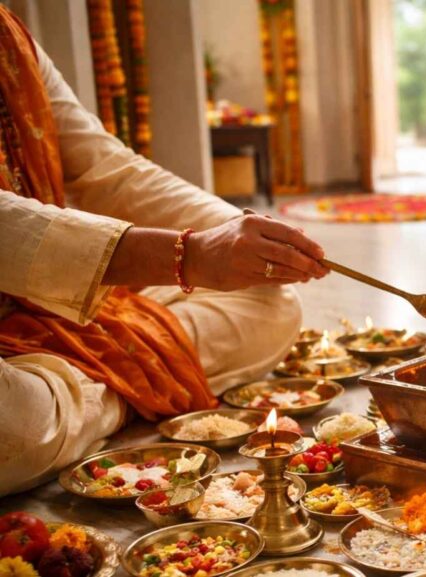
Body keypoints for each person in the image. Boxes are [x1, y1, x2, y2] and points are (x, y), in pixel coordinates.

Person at [0, 7, 326, 496]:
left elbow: (107, 169)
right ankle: (128, 384)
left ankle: (96, 393)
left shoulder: (9, 39)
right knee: (18, 424)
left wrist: (235, 231)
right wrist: (190, 255)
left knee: (270, 304)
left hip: (60, 311)